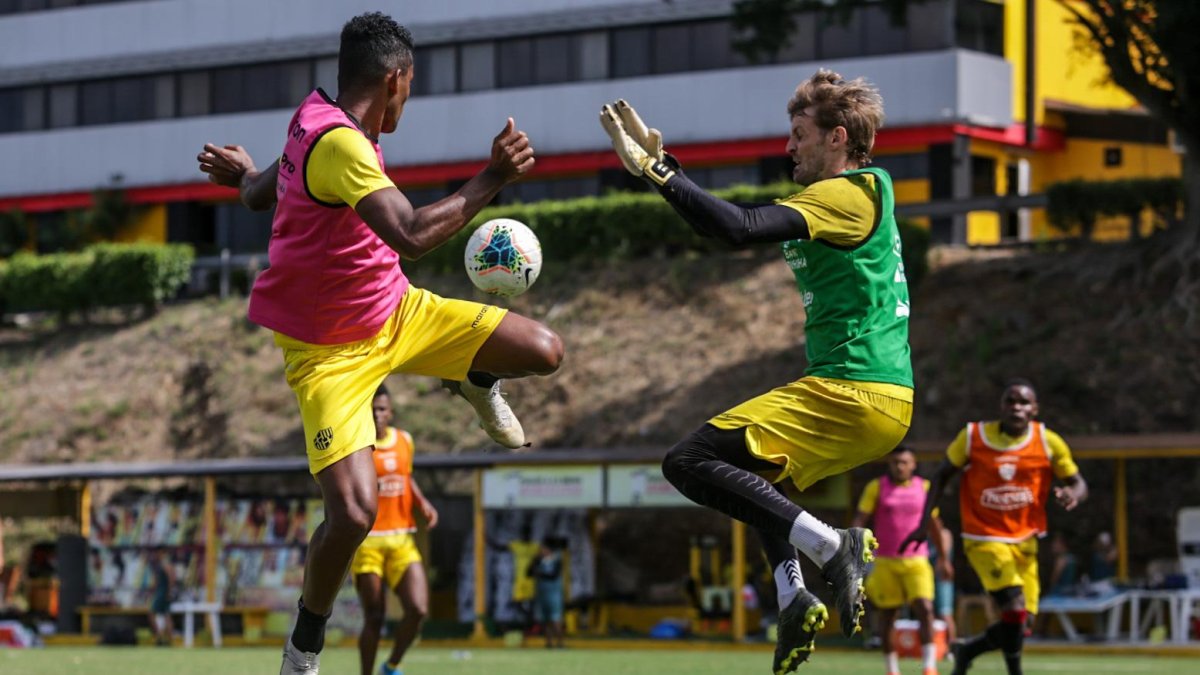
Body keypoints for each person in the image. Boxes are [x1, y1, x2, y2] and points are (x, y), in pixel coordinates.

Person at [196, 12, 563, 674]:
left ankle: (474, 378)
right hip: (329, 352)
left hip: (397, 312)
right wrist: (494, 178)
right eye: (410, 88)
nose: (408, 102)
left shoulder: (316, 122)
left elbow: (262, 193)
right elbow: (413, 234)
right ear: (395, 80)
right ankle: (304, 645)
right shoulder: (338, 144)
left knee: (542, 349)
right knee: (354, 512)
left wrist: (244, 175)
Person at [600, 69, 913, 674]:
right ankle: (793, 595)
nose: (789, 147)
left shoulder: (845, 195)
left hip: (854, 388)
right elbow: (721, 222)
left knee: (686, 462)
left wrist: (656, 172)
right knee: (755, 477)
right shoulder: (850, 196)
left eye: (799, 134)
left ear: (837, 139)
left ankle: (833, 546)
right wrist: (667, 167)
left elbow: (737, 228)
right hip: (879, 400)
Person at [901, 378, 1088, 675]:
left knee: (1021, 623)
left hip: (1026, 540)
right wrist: (924, 523)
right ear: (1001, 406)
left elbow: (1078, 483)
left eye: (1024, 402)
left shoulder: (1047, 442)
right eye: (1010, 401)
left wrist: (1072, 495)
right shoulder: (974, 436)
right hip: (984, 537)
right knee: (1013, 606)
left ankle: (968, 650)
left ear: (1034, 409)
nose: (1016, 407)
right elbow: (941, 476)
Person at [351, 384, 438, 675]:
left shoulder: (404, 440)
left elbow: (406, 476)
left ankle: (392, 665)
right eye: (373, 409)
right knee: (375, 617)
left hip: (402, 539)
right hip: (368, 543)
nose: (378, 414)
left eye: (383, 409)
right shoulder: (357, 446)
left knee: (418, 609)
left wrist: (422, 502)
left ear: (391, 412)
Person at [852, 447, 947, 675]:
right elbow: (860, 519)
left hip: (917, 560)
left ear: (913, 464)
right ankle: (892, 669)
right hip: (885, 560)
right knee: (888, 615)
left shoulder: (924, 488)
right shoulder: (877, 487)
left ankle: (929, 666)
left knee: (925, 608)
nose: (900, 466)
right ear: (889, 464)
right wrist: (853, 549)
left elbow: (935, 525)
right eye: (896, 462)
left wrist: (944, 558)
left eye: (905, 462)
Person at [528, 536, 565, 648]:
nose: (542, 551)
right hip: (542, 594)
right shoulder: (539, 561)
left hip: (554, 595)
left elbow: (554, 576)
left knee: (556, 619)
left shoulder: (557, 561)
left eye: (543, 548)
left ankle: (560, 643)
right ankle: (548, 643)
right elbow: (528, 573)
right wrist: (534, 561)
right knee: (545, 620)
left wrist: (539, 574)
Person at [147, 547, 174, 646]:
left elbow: (171, 578)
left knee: (152, 613)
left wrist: (169, 592)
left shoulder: (165, 564)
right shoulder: (162, 564)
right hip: (162, 592)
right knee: (167, 615)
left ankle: (160, 636)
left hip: (163, 593)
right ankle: (168, 639)